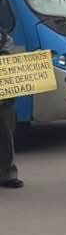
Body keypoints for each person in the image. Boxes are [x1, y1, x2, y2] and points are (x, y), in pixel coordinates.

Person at [0, 27, 21, 188]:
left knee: (6, 137)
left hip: (4, 96)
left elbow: (9, 56)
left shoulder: (4, 36)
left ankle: (8, 175)